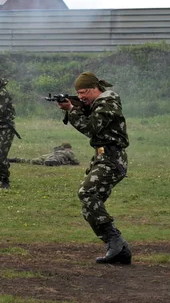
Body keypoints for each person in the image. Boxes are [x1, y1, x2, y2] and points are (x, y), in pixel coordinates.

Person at [57, 72, 131, 265]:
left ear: (94, 89)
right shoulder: (98, 104)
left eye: (84, 92)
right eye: (78, 93)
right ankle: (119, 250)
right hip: (101, 156)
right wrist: (74, 108)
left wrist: (72, 109)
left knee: (88, 194)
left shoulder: (107, 103)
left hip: (112, 158)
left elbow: (91, 128)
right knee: (89, 205)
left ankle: (116, 241)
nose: (81, 96)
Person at [8, 143, 80, 166]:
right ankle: (51, 161)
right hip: (56, 158)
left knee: (32, 161)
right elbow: (75, 161)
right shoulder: (68, 151)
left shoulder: (56, 151)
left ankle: (15, 159)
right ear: (69, 148)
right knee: (56, 159)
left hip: (47, 156)